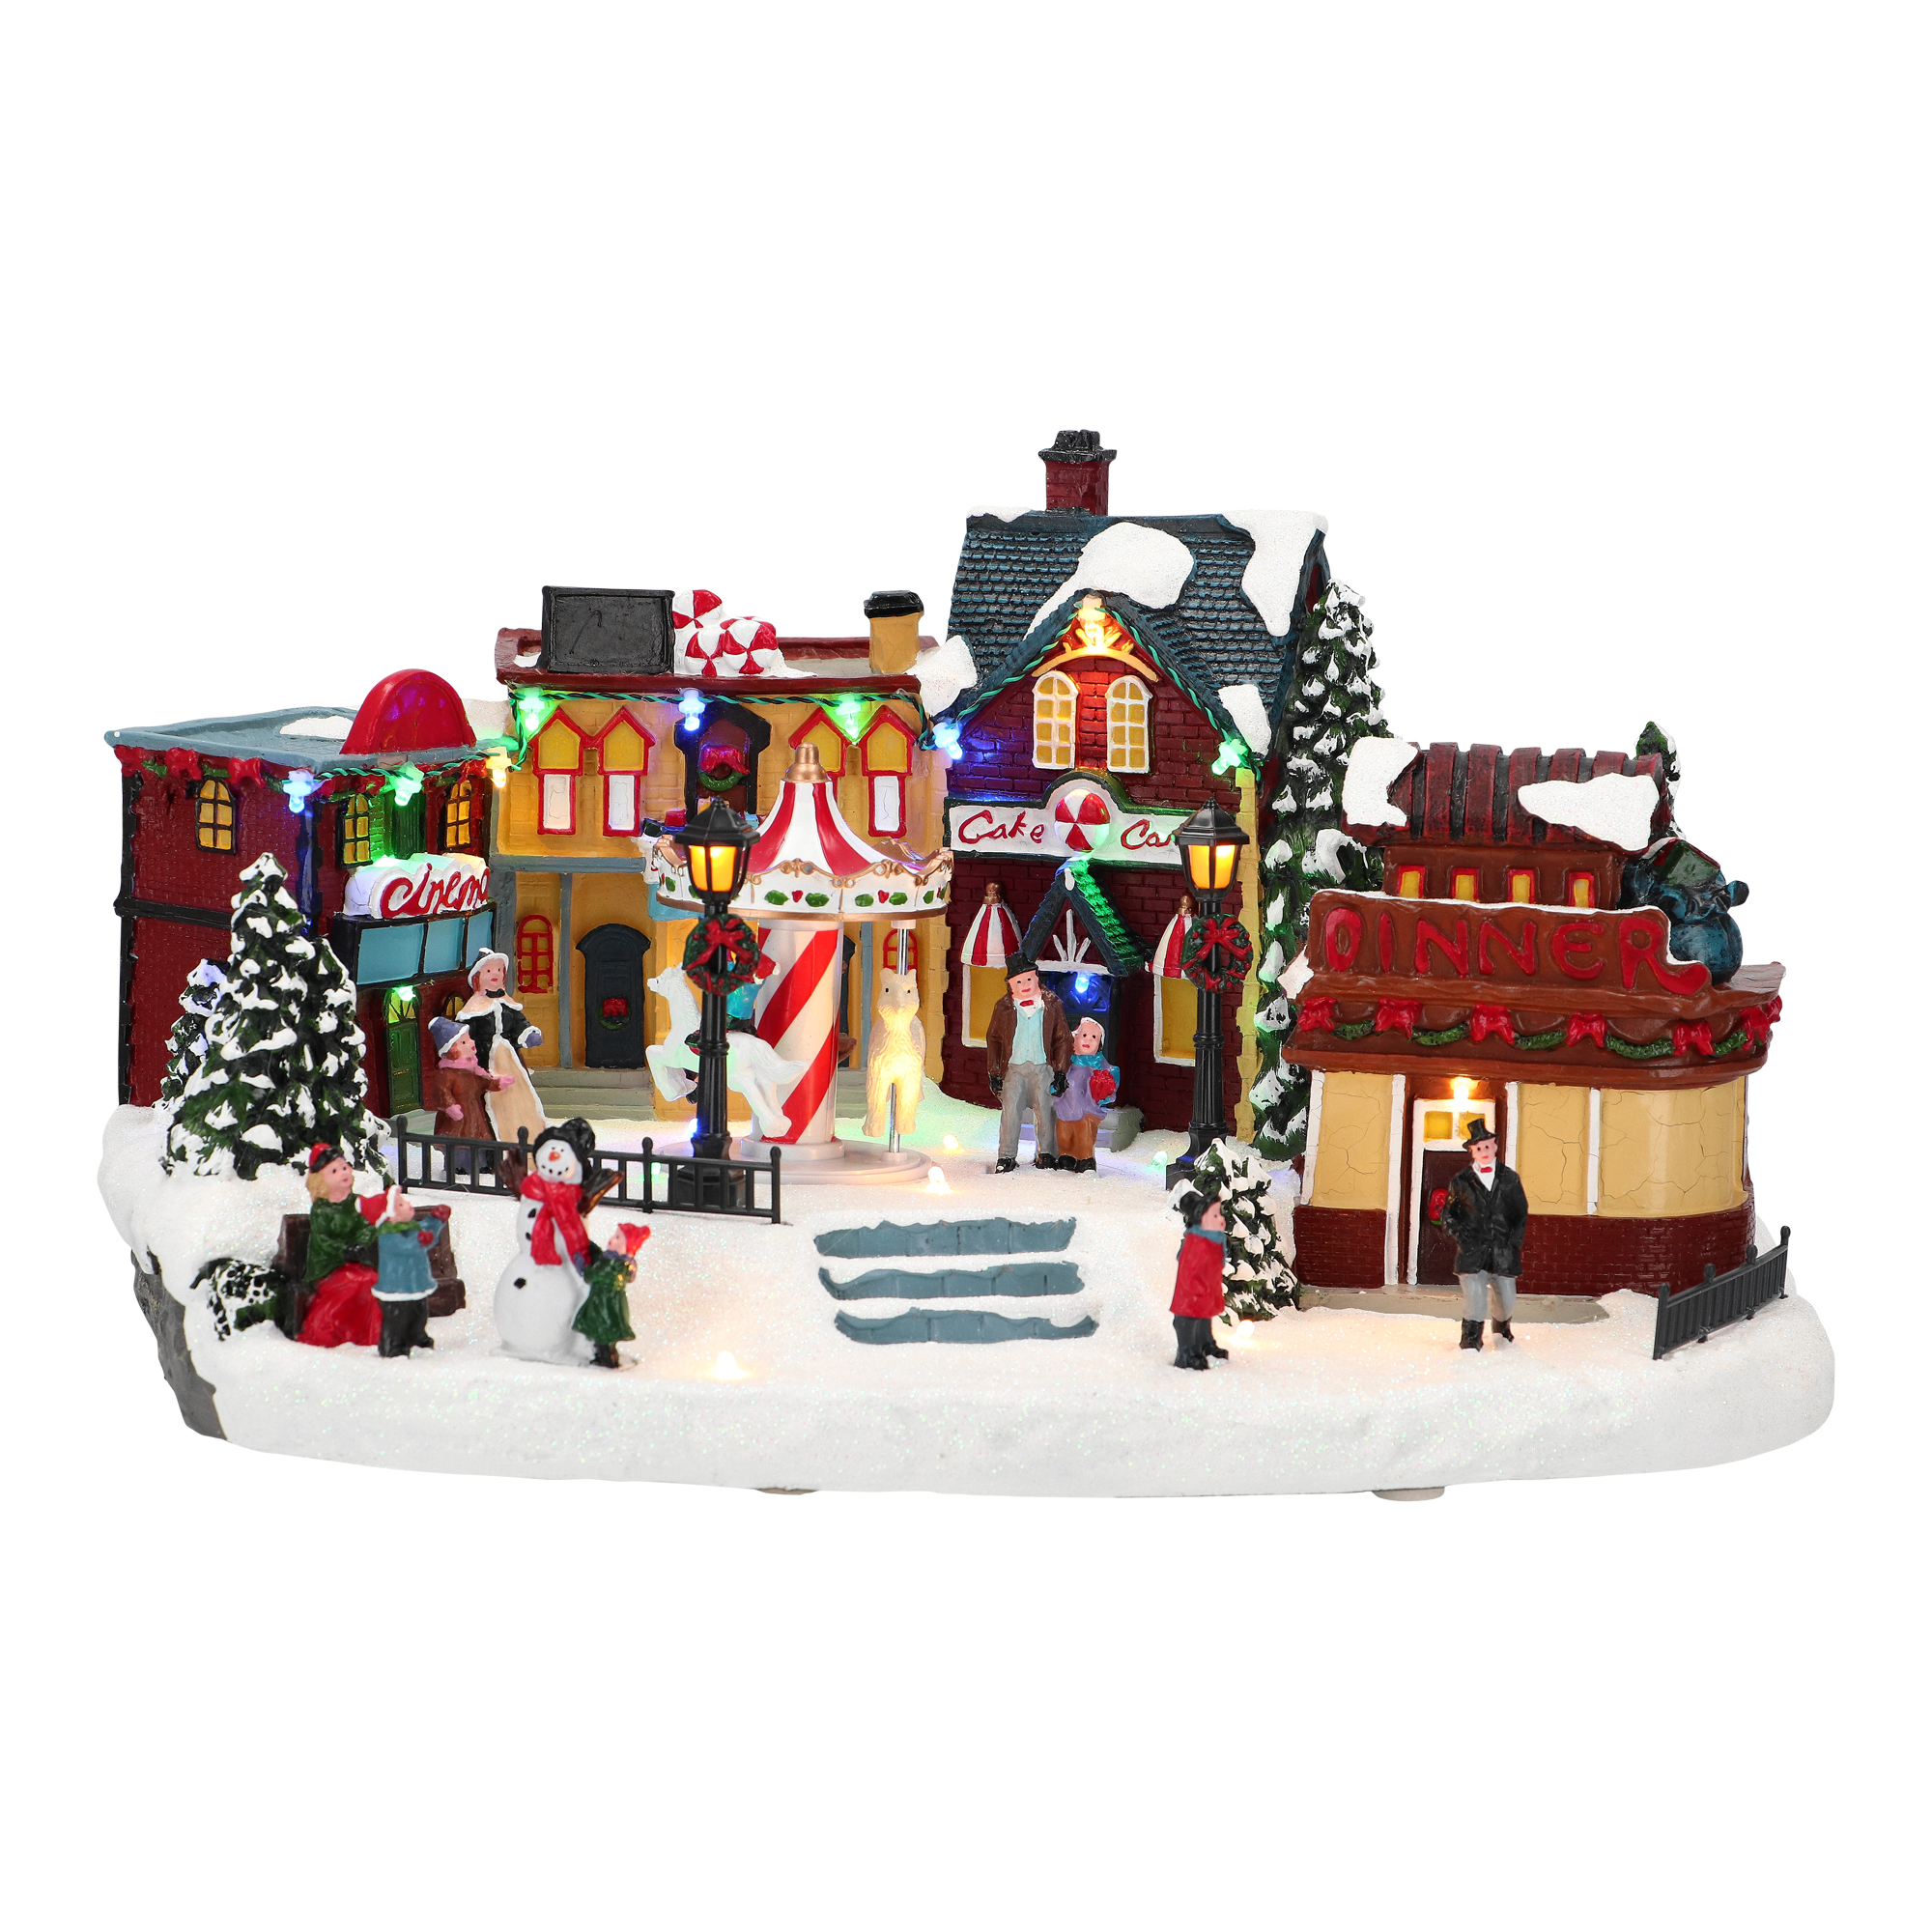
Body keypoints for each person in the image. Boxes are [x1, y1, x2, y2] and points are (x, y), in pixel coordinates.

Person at [297, 1143, 412, 1350]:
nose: (343, 1173)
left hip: (356, 1264)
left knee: (372, 1280)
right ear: (320, 1179)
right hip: (329, 1267)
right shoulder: (322, 1209)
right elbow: (323, 1241)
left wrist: (362, 1241)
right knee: (355, 1283)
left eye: (344, 1167)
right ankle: (329, 1333)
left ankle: (370, 1334)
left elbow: (365, 1226)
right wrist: (344, 1251)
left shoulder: (356, 1203)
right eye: (334, 1171)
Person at [1438, 1119, 1529, 1350]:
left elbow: (1520, 1213)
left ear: (1495, 1146)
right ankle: (1470, 1340)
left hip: (1503, 1252)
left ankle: (1501, 1330)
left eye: (1487, 1146)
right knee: (1475, 1301)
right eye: (1478, 1148)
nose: (1484, 1151)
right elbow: (1449, 1214)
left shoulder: (1510, 1179)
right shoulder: (1461, 1181)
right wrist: (1463, 1237)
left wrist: (1513, 1242)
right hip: (1473, 1253)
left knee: (1507, 1300)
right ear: (1472, 1152)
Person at [983, 959, 1072, 1174]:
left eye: (1029, 979)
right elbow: (994, 1039)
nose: (1025, 985)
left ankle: (1046, 1153)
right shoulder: (1003, 1007)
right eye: (1019, 981)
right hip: (1013, 1068)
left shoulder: (1052, 1004)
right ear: (1010, 984)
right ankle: (1006, 1155)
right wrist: (994, 1071)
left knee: (1045, 1111)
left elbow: (1062, 1038)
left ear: (1037, 978)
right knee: (1010, 1113)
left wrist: (1060, 1070)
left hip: (1042, 1067)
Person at [456, 950, 547, 1146]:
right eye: (489, 970)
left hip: (510, 1059)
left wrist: (528, 1034)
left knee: (520, 1095)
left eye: (499, 969)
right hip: (484, 1060)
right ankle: (496, 1140)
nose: (495, 974)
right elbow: (466, 1037)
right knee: (489, 1101)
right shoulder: (472, 1010)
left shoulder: (507, 1004)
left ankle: (528, 1134)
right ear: (477, 977)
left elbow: (519, 1024)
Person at [425, 1015, 514, 1173]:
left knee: (478, 1139)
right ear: (452, 1050)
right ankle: (458, 1167)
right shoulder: (447, 1073)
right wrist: (449, 1106)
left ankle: (480, 1165)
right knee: (460, 1143)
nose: (472, 1043)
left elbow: (483, 1082)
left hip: (474, 1112)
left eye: (469, 1039)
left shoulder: (472, 1070)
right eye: (464, 1042)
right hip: (457, 1118)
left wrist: (498, 1083)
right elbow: (441, 1091)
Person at [1052, 1015, 1118, 1173]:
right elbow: (1053, 1082)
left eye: (1094, 1037)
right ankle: (1066, 1155)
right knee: (1063, 1134)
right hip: (1065, 1108)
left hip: (1088, 1110)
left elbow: (1111, 1084)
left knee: (1085, 1134)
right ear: (1074, 1039)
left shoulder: (1099, 1065)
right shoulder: (1066, 1062)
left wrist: (1105, 1086)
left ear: (1100, 1045)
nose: (1088, 1040)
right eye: (1084, 1035)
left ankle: (1086, 1159)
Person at [1170, 1191, 1228, 1370]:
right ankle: (1188, 1353)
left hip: (1207, 1290)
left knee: (1204, 1317)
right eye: (1214, 1215)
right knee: (1190, 1321)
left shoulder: (1213, 1240)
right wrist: (1199, 1289)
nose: (1221, 1219)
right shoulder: (1196, 1242)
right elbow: (1190, 1271)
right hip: (1193, 1294)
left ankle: (1205, 1344)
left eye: (1219, 1213)